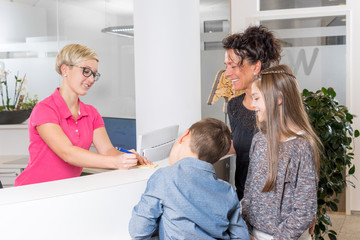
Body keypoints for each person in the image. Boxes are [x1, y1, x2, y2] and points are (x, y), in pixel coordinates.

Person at [15, 44, 149, 186]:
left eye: (94, 74)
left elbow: (107, 150)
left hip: (66, 190)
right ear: (65, 69)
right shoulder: (45, 109)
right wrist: (115, 162)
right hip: (33, 191)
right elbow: (67, 152)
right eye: (86, 71)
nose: (91, 80)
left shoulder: (91, 113)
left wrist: (127, 158)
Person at [129, 118, 250, 240]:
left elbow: (138, 231)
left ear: (185, 134)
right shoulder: (227, 190)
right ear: (217, 157)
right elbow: (242, 236)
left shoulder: (165, 177)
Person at [241, 65, 322, 240]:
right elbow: (249, 192)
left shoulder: (301, 147)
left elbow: (304, 210)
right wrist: (244, 230)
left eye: (256, 98)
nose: (253, 105)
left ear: (278, 98)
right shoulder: (259, 140)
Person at [222, 25, 282, 201]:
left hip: (275, 201)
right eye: (226, 66)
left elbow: (300, 155)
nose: (227, 74)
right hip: (245, 197)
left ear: (256, 67)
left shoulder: (278, 104)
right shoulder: (234, 105)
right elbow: (239, 144)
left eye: (233, 66)